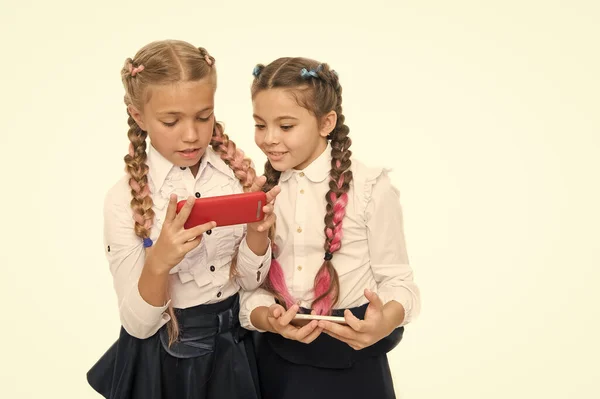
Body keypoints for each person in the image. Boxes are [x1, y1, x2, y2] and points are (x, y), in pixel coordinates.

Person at [87, 39, 279, 399]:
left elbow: (253, 284)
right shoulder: (122, 201)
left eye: (203, 116)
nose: (191, 135)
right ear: (138, 116)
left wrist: (257, 236)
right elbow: (139, 326)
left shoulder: (234, 175)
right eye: (171, 121)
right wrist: (159, 262)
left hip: (238, 345)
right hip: (169, 360)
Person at [239, 58, 421, 399]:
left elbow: (399, 282)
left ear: (327, 123)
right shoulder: (260, 192)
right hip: (276, 363)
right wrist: (267, 317)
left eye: (286, 126)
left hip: (354, 365)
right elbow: (249, 285)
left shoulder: (369, 189)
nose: (269, 139)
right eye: (260, 125)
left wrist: (384, 322)